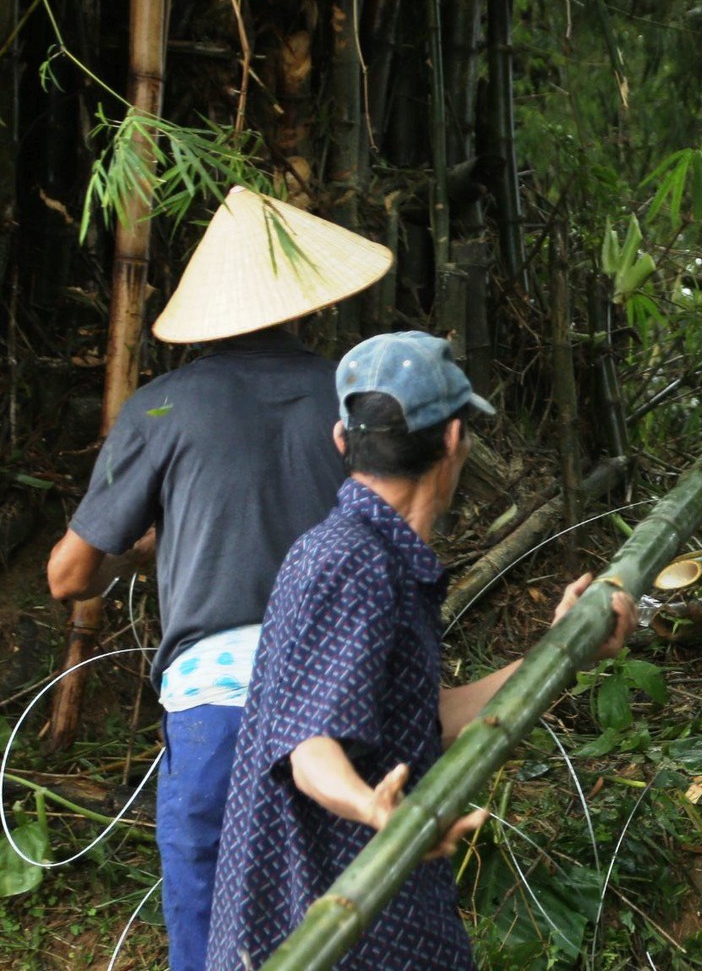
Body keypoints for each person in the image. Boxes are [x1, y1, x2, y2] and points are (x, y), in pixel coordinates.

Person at [204, 332, 636, 970]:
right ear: (457, 440)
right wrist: (373, 808)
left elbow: (425, 719)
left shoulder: (375, 555)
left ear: (342, 442)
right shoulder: (353, 560)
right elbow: (309, 749)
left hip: (373, 918)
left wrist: (563, 650)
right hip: (329, 932)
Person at [46, 186, 391, 971]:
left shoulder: (163, 408)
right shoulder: (352, 395)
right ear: (301, 297)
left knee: (209, 937)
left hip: (215, 708)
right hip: (336, 693)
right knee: (338, 930)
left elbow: (69, 574)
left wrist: (143, 546)